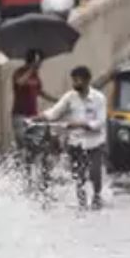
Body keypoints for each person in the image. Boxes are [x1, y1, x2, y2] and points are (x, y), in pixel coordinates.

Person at [41, 65, 107, 209]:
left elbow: (100, 122)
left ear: (87, 80)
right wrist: (41, 117)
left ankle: (96, 196)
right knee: (79, 175)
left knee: (95, 172)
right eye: (74, 80)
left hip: (94, 142)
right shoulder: (70, 97)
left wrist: (81, 124)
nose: (75, 84)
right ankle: (81, 202)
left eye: (78, 81)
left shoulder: (99, 98)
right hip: (75, 142)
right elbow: (54, 112)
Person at [11, 49, 56, 147]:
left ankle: (34, 160)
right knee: (22, 142)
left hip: (33, 115)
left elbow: (39, 91)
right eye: (39, 62)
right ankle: (20, 160)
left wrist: (56, 100)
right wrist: (31, 70)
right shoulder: (19, 72)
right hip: (20, 115)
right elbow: (19, 83)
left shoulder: (35, 75)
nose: (40, 65)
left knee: (36, 143)